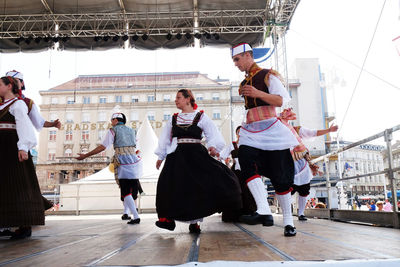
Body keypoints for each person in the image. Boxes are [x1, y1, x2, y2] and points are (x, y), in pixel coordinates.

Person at [231, 43, 299, 236]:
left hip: (270, 129)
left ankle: (288, 221)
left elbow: (282, 100)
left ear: (247, 55)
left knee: (280, 176)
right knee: (245, 160)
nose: (235, 64)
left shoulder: (268, 74)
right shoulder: (244, 83)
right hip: (251, 130)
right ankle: (263, 210)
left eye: (237, 59)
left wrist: (258, 93)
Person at [154, 89, 242, 234]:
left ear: (188, 99)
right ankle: (166, 219)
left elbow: (213, 134)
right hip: (177, 156)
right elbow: (165, 138)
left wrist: (213, 147)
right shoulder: (173, 118)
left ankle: (195, 223)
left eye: (179, 97)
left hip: (196, 156)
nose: (176, 100)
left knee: (197, 188)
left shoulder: (201, 117)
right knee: (166, 184)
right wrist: (160, 156)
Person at [0, 70, 61, 237]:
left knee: (20, 182)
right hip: (3, 146)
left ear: (19, 84)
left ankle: (24, 222)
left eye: (17, 80)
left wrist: (53, 124)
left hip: (16, 144)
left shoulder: (25, 103)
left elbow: (38, 122)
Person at [76, 113, 142, 225]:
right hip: (135, 161)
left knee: (125, 191)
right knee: (131, 190)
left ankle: (135, 216)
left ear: (116, 120)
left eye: (112, 120)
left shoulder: (113, 130)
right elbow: (137, 147)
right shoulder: (132, 130)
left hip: (123, 161)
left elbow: (103, 146)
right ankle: (129, 213)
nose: (111, 122)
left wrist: (85, 155)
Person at [279, 108, 338, 221]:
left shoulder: (296, 130)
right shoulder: (276, 133)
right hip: (286, 166)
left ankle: (301, 213)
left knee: (304, 190)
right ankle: (287, 214)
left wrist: (329, 130)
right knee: (286, 191)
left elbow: (312, 133)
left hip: (301, 165)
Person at [219, 126, 257, 221]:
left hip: (248, 170)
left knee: (250, 191)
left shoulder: (250, 144)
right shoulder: (233, 145)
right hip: (236, 172)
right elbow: (222, 156)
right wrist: (225, 166)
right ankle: (234, 215)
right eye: (239, 132)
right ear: (237, 133)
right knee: (235, 191)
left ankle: (250, 213)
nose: (241, 133)